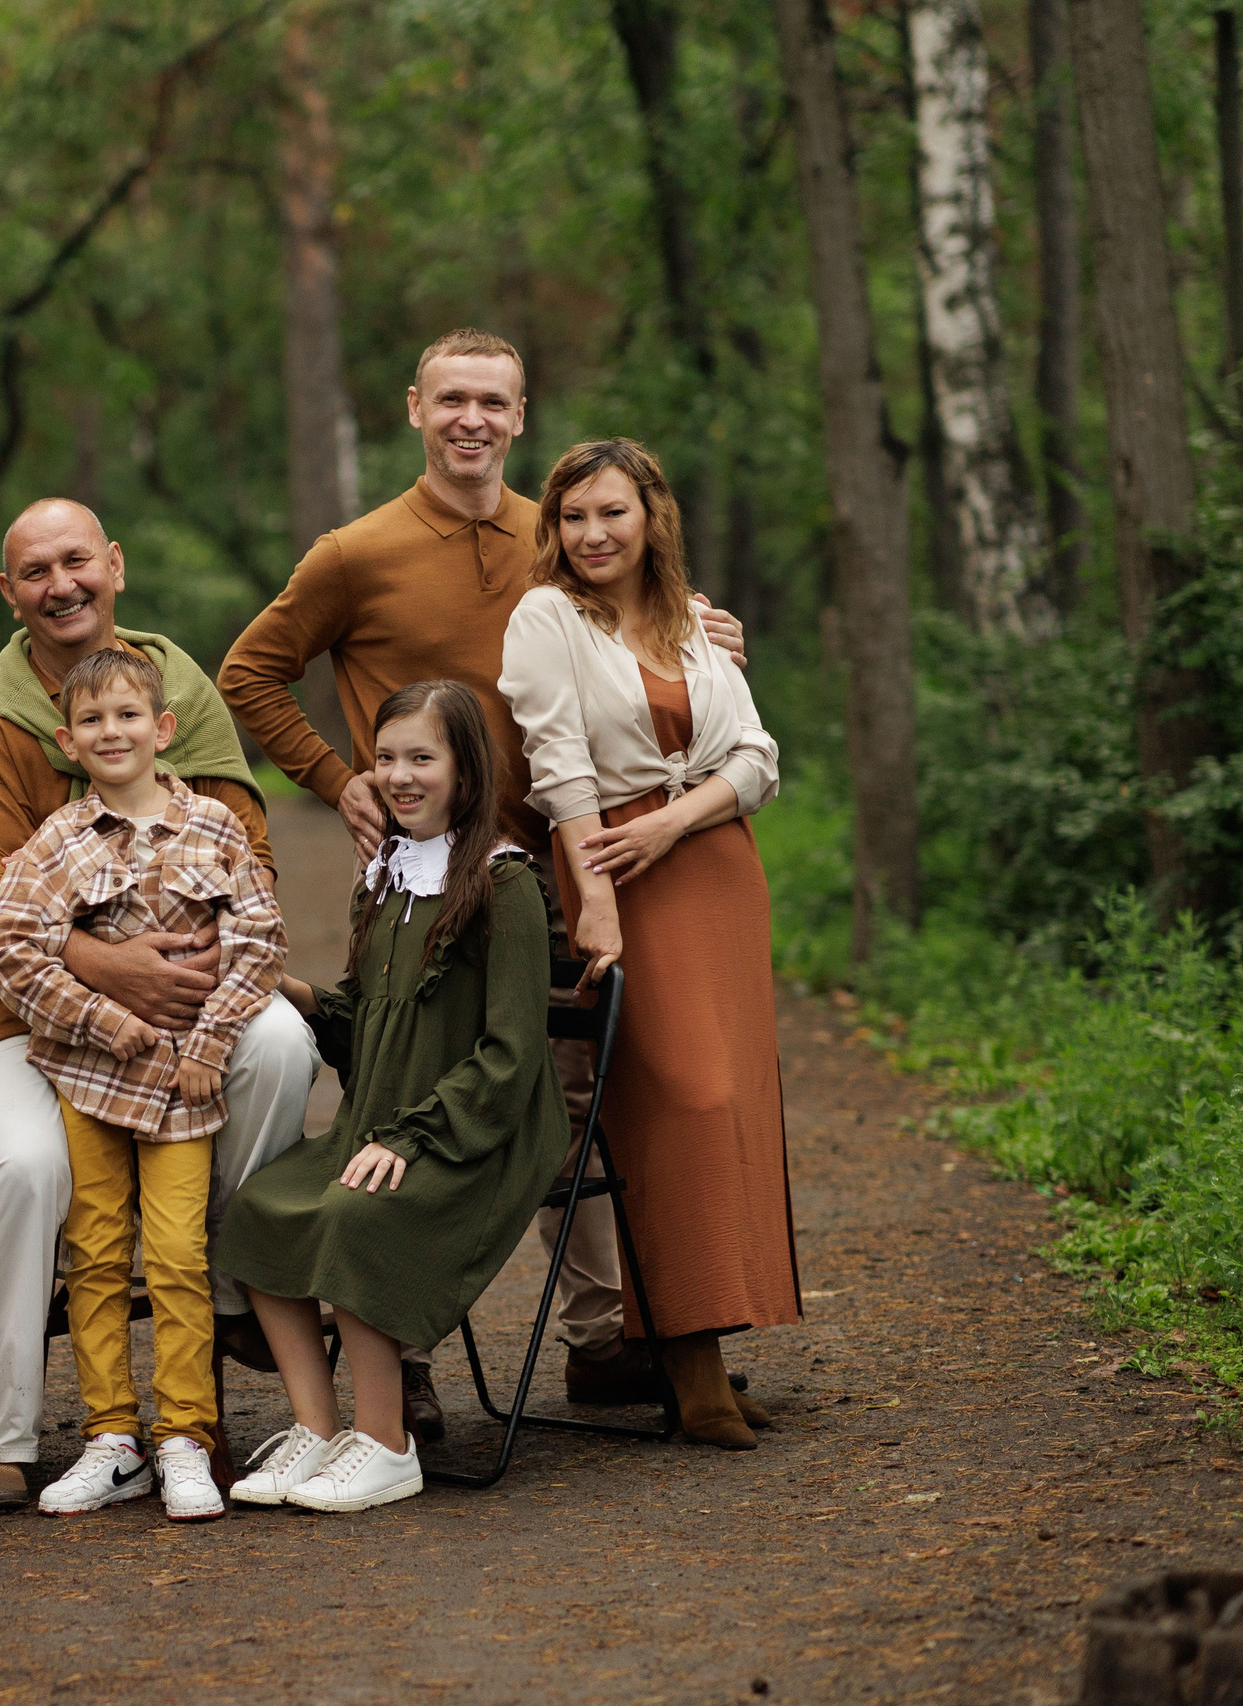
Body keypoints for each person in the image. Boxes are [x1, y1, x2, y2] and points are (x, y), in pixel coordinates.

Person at [217, 328, 751, 1428]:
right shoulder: (353, 552)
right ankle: (391, 1352)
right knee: (406, 1086)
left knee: (576, 1098)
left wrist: (695, 634)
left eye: (491, 402)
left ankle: (604, 1337)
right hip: (417, 883)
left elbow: (634, 616)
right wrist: (336, 778)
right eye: (449, 398)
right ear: (414, 407)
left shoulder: (558, 539)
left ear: (518, 416)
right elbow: (249, 671)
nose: (470, 418)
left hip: (560, 858)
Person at [0, 496, 320, 1511]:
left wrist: (194, 978)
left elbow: (248, 849)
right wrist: (116, 974)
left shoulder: (173, 679)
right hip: (36, 1015)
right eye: (34, 570)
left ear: (113, 564)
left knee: (280, 1041)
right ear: (9, 592)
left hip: (191, 1004)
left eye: (76, 561)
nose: (60, 583)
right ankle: (2, 1429)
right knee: (24, 1165)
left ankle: (233, 1278)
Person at [497, 437, 794, 1451]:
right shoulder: (545, 617)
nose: (589, 534)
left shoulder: (689, 620)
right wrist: (595, 899)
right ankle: (682, 1360)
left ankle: (708, 1345)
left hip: (713, 870)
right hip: (619, 874)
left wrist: (675, 820)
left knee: (729, 1112)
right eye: (571, 516)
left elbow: (755, 756)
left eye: (609, 513)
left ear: (650, 517)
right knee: (678, 1102)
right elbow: (558, 765)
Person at [218, 681, 569, 1513]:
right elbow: (368, 1026)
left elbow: (512, 1053)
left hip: (480, 1133)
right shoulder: (383, 875)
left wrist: (413, 1137)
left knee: (356, 1214)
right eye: (386, 758)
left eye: (423, 758)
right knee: (258, 1208)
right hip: (375, 1122)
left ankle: (386, 1445)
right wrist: (295, 993)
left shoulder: (503, 882)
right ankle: (320, 1428)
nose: (401, 776)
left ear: (467, 769)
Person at [0, 650, 288, 1523]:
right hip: (88, 1079)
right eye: (92, 721)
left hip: (188, 1086)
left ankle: (185, 1436)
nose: (111, 732)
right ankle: (112, 1438)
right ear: (67, 740)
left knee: (182, 1256)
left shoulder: (216, 828)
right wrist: (113, 1024)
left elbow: (260, 942)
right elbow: (12, 952)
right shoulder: (57, 843)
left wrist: (213, 1037)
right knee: (95, 1259)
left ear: (164, 730)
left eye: (127, 717)